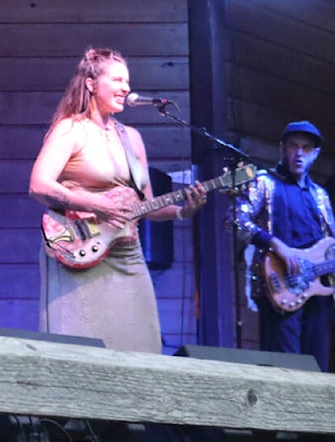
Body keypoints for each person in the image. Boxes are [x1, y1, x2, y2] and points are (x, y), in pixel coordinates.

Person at [28, 47, 206, 352]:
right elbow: (38, 186)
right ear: (91, 83)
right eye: (118, 79)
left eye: (128, 81)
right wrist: (96, 204)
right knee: (81, 345)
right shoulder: (70, 129)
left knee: (143, 344)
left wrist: (182, 212)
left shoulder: (131, 137)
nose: (126, 88)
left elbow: (146, 206)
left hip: (127, 253)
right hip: (78, 244)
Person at [228, 120, 334, 372]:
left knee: (317, 370)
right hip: (279, 288)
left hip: (317, 294)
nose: (299, 153)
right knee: (285, 369)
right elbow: (234, 219)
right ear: (282, 149)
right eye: (293, 146)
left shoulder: (319, 194)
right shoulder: (264, 182)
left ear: (315, 154)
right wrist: (277, 246)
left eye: (306, 148)